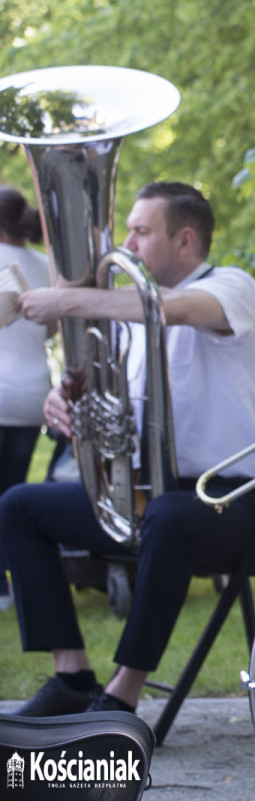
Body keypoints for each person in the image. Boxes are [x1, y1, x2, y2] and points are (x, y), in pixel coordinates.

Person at [1, 181, 255, 716]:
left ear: (184, 240)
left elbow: (171, 310)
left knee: (168, 513)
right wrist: (62, 409)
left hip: (240, 501)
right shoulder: (129, 323)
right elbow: (116, 412)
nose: (125, 245)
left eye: (140, 231)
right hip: (148, 497)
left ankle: (121, 694)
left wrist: (66, 298)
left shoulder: (232, 287)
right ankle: (72, 677)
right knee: (20, 507)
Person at [0, 187, 53, 612]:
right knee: (11, 489)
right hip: (33, 390)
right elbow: (51, 330)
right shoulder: (45, 264)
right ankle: (9, 585)